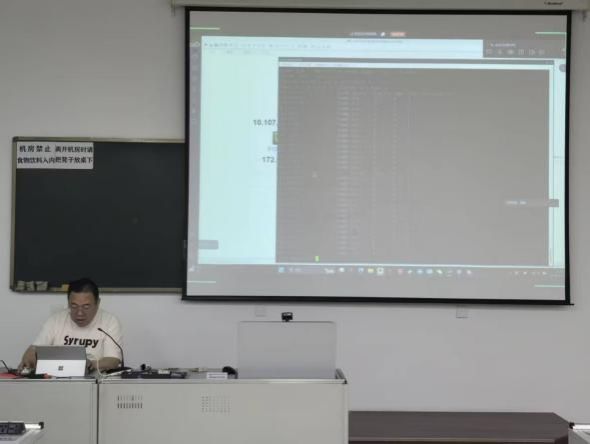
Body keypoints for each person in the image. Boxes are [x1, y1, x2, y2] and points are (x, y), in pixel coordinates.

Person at [18, 278, 123, 373]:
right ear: (68, 303)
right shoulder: (56, 320)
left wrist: (89, 365)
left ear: (98, 303)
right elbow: (34, 349)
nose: (79, 313)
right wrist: (30, 354)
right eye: (74, 306)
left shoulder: (109, 321)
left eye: (86, 306)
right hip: (57, 378)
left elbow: (113, 360)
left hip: (93, 379)